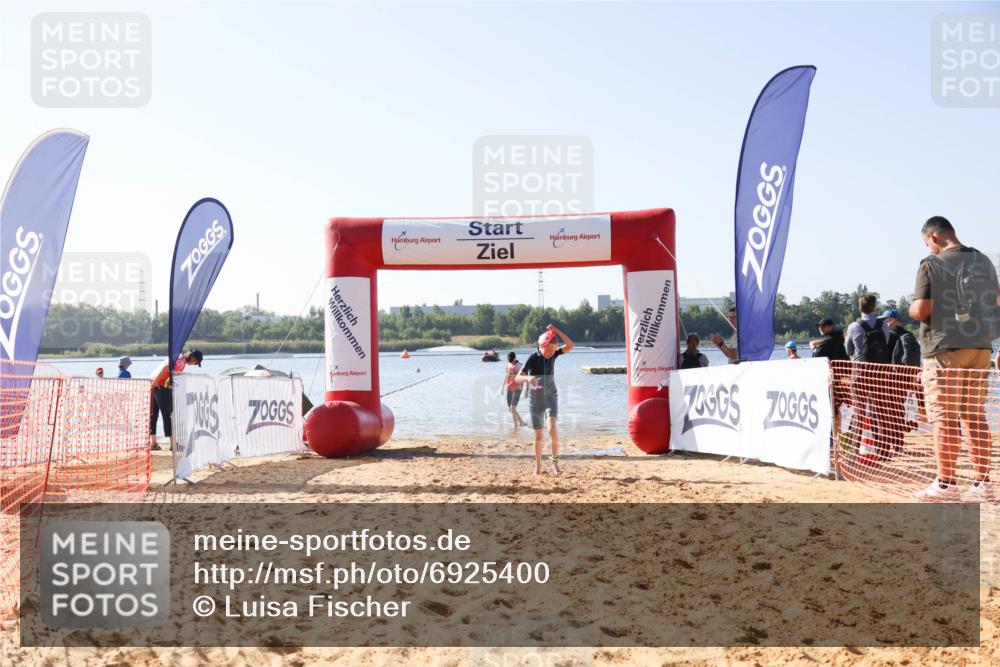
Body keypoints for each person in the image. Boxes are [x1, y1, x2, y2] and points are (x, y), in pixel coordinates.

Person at [909, 216, 1000, 502]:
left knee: (944, 417)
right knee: (975, 416)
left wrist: (911, 311)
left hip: (944, 346)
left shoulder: (931, 264)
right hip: (981, 346)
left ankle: (946, 484)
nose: (929, 247)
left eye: (927, 243)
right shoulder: (982, 261)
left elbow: (922, 310)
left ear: (933, 237)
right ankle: (982, 484)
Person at [517, 324, 574, 475]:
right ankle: (538, 466)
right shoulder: (532, 358)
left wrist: (556, 331)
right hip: (535, 400)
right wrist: (528, 378)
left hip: (550, 396)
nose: (550, 353)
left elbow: (570, 345)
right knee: (539, 435)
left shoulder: (554, 354)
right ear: (540, 346)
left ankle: (555, 464)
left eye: (553, 350)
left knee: (552, 428)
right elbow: (517, 378)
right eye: (548, 350)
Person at [844, 294, 894, 458]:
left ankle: (855, 449)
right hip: (879, 372)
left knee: (859, 412)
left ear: (860, 308)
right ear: (874, 307)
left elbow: (848, 350)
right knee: (881, 411)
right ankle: (884, 451)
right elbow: (885, 344)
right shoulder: (884, 325)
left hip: (859, 371)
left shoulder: (854, 326)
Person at [149, 349, 203, 451]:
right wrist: (156, 382)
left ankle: (154, 443)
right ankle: (173, 444)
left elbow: (170, 374)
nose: (195, 364)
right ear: (192, 357)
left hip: (154, 383)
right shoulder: (180, 361)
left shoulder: (180, 357)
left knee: (154, 415)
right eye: (196, 362)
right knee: (167, 415)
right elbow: (166, 368)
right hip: (159, 385)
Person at [810, 318, 850, 441]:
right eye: (819, 326)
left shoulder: (829, 341)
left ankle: (832, 437)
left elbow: (816, 357)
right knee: (836, 409)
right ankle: (837, 436)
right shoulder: (838, 340)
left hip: (829, 381)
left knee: (829, 409)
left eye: (823, 326)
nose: (820, 328)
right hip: (839, 380)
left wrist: (813, 348)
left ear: (830, 326)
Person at [499, 351, 528, 429]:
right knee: (510, 409)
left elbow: (526, 377)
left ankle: (521, 422)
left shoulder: (521, 365)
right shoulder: (508, 365)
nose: (511, 361)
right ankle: (516, 425)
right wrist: (502, 386)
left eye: (512, 360)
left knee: (512, 408)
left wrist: (527, 390)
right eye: (509, 360)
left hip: (518, 388)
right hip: (509, 387)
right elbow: (506, 375)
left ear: (515, 358)